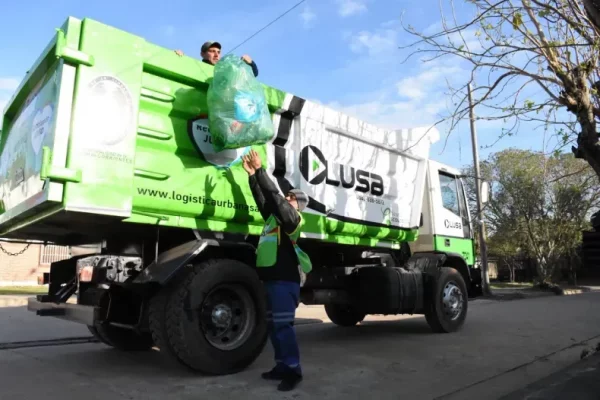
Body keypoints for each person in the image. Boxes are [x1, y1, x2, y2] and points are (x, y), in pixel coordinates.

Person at [241, 149, 312, 392]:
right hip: (272, 280)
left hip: (285, 281)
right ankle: (281, 366)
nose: (287, 197)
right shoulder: (274, 221)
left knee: (283, 326)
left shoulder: (293, 220)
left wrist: (261, 171)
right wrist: (252, 177)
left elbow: (274, 197)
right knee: (273, 326)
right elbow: (264, 201)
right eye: (288, 195)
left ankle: (294, 370)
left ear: (298, 205)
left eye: (291, 197)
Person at [174, 41, 259, 77]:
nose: (216, 55)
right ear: (202, 54)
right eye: (212, 51)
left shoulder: (224, 71)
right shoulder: (196, 68)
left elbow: (252, 75)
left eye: (218, 52)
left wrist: (251, 63)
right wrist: (178, 57)